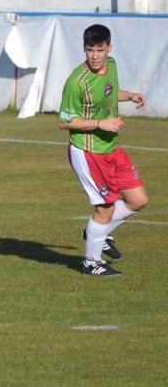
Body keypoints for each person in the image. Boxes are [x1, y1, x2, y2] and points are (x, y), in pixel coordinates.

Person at [58, 24, 149, 276]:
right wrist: (100, 123)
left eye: (100, 49)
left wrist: (129, 95)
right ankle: (91, 263)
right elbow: (64, 120)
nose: (95, 55)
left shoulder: (114, 66)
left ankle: (97, 232)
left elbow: (107, 94)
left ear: (109, 47)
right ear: (84, 49)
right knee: (105, 208)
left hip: (111, 147)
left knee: (138, 200)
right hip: (88, 152)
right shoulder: (76, 82)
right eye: (90, 50)